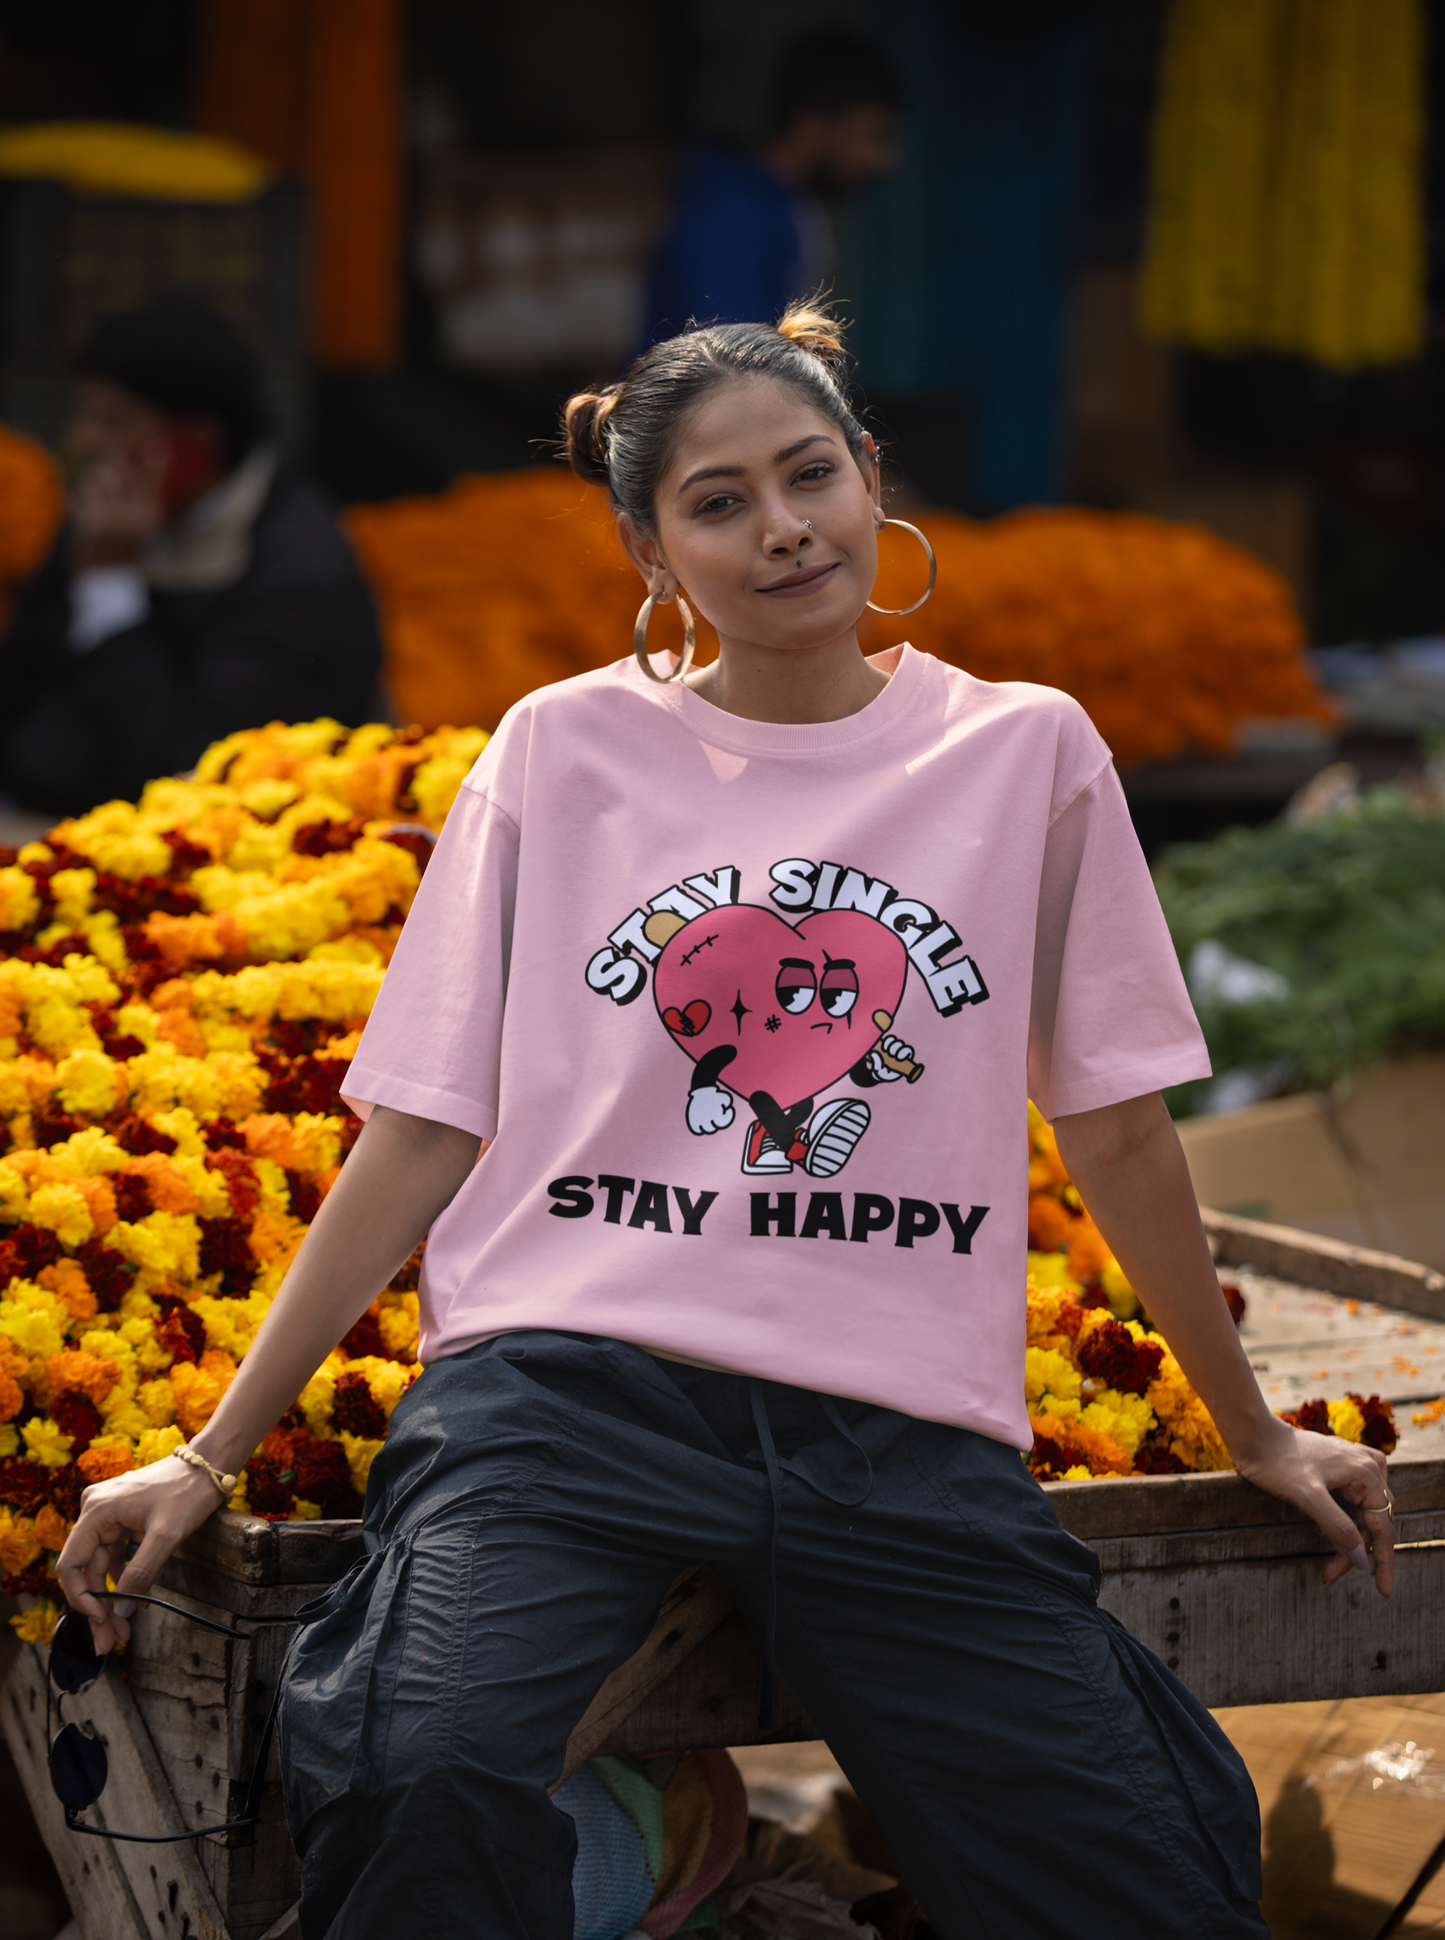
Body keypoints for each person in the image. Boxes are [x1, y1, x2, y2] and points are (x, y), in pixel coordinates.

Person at [59, 304, 1395, 1939]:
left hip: (895, 1424)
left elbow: (1116, 1129)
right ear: (648, 542)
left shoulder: (1026, 753)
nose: (780, 529)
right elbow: (423, 1125)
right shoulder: (562, 751)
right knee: (423, 1773)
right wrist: (207, 1452)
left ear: (870, 477)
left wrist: (1252, 1430)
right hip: (568, 1397)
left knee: (1129, 1862)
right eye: (717, 501)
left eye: (806, 474)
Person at [0, 294, 384, 817]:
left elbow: (192, 767)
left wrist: (110, 586)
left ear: (195, 440)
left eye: (113, 422)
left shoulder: (299, 570)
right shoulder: (103, 520)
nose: (84, 442)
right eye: (85, 415)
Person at [642, 32, 904, 344]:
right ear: (813, 124)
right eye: (875, 136)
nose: (885, 160)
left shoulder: (782, 207)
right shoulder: (731, 214)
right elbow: (732, 362)